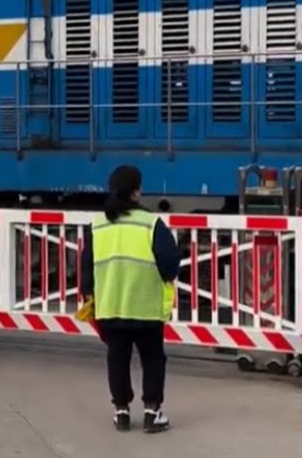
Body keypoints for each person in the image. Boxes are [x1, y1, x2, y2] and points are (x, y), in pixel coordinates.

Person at [80, 164, 181, 434]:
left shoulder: (97, 225)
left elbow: (86, 266)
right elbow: (170, 264)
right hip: (145, 306)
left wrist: (89, 295)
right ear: (136, 192)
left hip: (111, 306)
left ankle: (121, 412)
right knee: (152, 359)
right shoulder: (151, 223)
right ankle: (152, 412)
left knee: (117, 358)